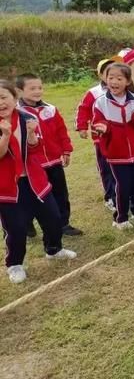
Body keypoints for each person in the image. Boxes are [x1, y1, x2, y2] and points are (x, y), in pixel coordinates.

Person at [0, 80, 77, 284]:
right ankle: (15, 264)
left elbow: (35, 149)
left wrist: (32, 133)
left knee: (52, 217)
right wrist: (5, 136)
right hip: (8, 187)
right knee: (15, 228)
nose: (0, 103)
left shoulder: (26, 117)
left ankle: (54, 249)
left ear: (14, 98)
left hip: (36, 180)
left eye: (3, 97)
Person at [16, 73, 82, 237]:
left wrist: (66, 150)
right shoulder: (17, 113)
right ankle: (27, 224)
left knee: (60, 194)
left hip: (54, 162)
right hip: (32, 166)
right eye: (32, 88)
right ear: (19, 91)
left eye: (40, 87)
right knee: (33, 197)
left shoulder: (50, 109)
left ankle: (63, 224)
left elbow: (61, 131)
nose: (37, 91)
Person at [92, 63, 134, 230]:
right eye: (111, 78)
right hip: (116, 154)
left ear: (127, 81)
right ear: (105, 79)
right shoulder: (101, 103)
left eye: (119, 78)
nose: (114, 82)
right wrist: (104, 128)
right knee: (122, 186)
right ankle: (120, 218)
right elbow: (98, 122)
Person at [75, 58, 117, 212]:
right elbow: (83, 109)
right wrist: (81, 127)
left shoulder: (123, 90)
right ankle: (110, 197)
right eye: (108, 73)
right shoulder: (94, 93)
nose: (112, 76)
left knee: (120, 168)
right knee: (106, 169)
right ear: (101, 75)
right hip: (101, 140)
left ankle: (123, 195)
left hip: (119, 139)